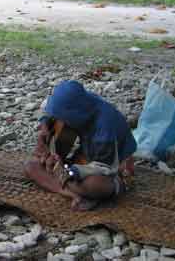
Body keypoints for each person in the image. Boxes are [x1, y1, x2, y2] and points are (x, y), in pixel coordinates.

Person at [24, 80, 137, 211]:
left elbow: (105, 167)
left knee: (94, 185)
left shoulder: (105, 130)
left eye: (64, 117)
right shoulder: (83, 100)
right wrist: (45, 128)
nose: (61, 120)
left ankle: (69, 185)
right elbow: (51, 111)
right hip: (83, 158)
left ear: (74, 115)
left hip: (112, 169)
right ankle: (72, 194)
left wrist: (70, 171)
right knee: (30, 166)